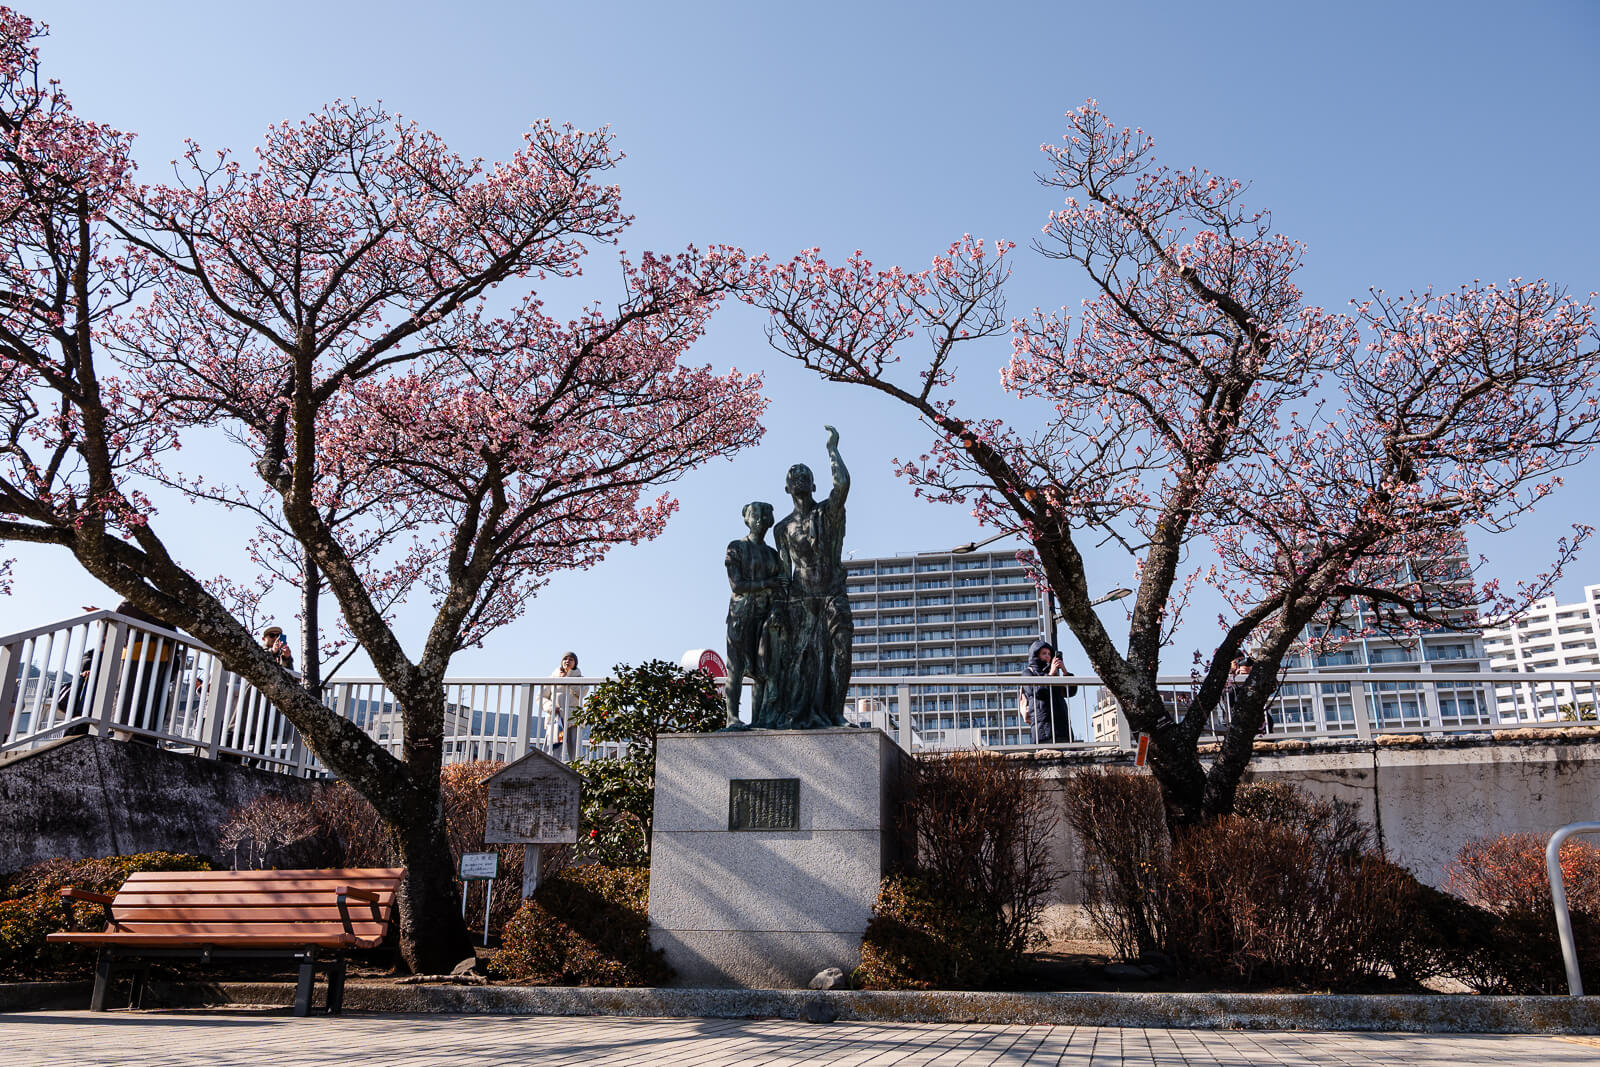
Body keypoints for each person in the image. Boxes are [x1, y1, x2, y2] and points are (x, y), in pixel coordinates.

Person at [772, 425, 851, 729]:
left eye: (805, 475)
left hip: (832, 591)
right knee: (802, 660)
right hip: (801, 598)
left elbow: (842, 485)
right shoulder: (782, 529)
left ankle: (836, 712)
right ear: (787, 487)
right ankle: (801, 711)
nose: (800, 478)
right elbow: (783, 571)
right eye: (794, 477)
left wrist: (832, 449)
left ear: (814, 485)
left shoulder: (828, 513)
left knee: (841, 650)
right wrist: (780, 607)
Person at [723, 501, 787, 729]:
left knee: (763, 668)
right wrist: (767, 583)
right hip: (740, 615)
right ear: (746, 519)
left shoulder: (773, 555)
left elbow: (781, 587)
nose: (759, 519)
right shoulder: (736, 547)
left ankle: (760, 719)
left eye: (764, 515)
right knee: (736, 667)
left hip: (765, 616)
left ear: (770, 521)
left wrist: (776, 609)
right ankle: (732, 718)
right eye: (754, 515)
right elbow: (736, 584)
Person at [1021, 638, 1079, 744]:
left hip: (1062, 726)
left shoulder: (1054, 673)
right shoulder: (1028, 672)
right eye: (1044, 653)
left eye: (1049, 653)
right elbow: (1037, 692)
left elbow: (1070, 692)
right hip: (1043, 727)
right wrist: (1051, 674)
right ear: (1036, 655)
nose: (1047, 656)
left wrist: (1065, 671)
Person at [541, 652, 582, 757]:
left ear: (575, 663)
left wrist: (567, 679)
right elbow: (541, 697)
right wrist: (551, 707)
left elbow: (582, 693)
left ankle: (576, 771)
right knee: (552, 749)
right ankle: (548, 772)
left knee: (575, 749)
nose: (567, 661)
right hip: (556, 717)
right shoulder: (552, 678)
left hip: (573, 717)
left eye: (571, 659)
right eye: (565, 659)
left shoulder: (580, 678)